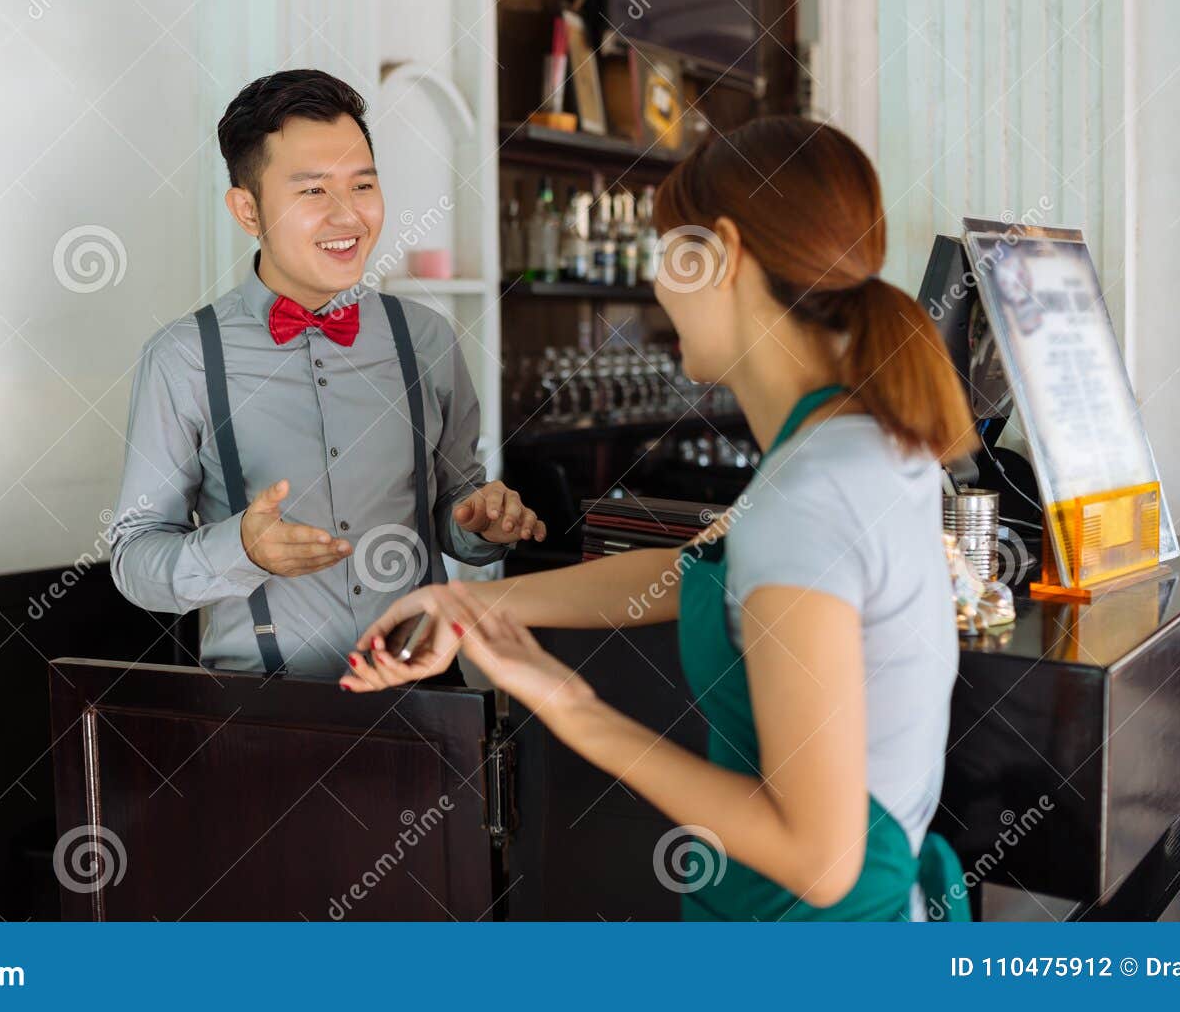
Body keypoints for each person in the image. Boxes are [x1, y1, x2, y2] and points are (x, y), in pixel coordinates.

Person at [343, 116, 978, 920]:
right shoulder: (858, 440)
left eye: (666, 256)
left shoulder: (810, 495)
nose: (657, 289)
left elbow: (819, 862)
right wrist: (465, 606)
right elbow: (703, 572)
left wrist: (568, 705)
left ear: (722, 252)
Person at [110, 69, 544, 680]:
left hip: (426, 697)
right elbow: (134, 559)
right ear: (247, 210)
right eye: (313, 192)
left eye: (362, 184)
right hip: (261, 711)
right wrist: (241, 549)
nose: (349, 216)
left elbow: (455, 510)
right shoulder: (183, 358)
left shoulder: (427, 339)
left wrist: (481, 523)